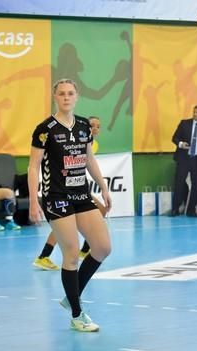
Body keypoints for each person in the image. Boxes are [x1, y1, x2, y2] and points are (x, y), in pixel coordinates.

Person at [28, 78, 112, 332]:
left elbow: (89, 159)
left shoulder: (85, 126)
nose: (66, 97)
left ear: (77, 96)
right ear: (55, 97)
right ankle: (77, 314)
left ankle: (71, 295)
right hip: (56, 197)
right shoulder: (45, 129)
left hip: (81, 195)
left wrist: (104, 187)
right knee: (72, 253)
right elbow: (33, 166)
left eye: (70, 93)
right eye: (62, 93)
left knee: (102, 247)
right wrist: (34, 200)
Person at [33, 115, 106, 271]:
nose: (95, 128)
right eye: (92, 125)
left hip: (79, 187)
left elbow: (88, 162)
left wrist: (102, 186)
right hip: (62, 188)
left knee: (99, 211)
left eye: (98, 126)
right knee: (70, 222)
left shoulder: (92, 142)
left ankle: (84, 249)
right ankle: (46, 255)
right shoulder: (65, 133)